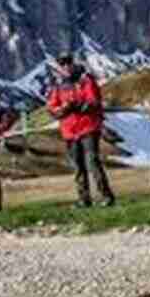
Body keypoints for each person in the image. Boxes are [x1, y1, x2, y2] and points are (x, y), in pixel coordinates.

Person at [46, 54, 114, 208]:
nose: (65, 67)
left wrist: (76, 105)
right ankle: (84, 199)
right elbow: (51, 107)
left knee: (92, 162)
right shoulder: (58, 85)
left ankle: (106, 196)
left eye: (67, 63)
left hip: (88, 127)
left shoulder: (85, 80)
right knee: (78, 166)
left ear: (73, 64)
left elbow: (94, 101)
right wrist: (62, 110)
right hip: (69, 131)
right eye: (62, 64)